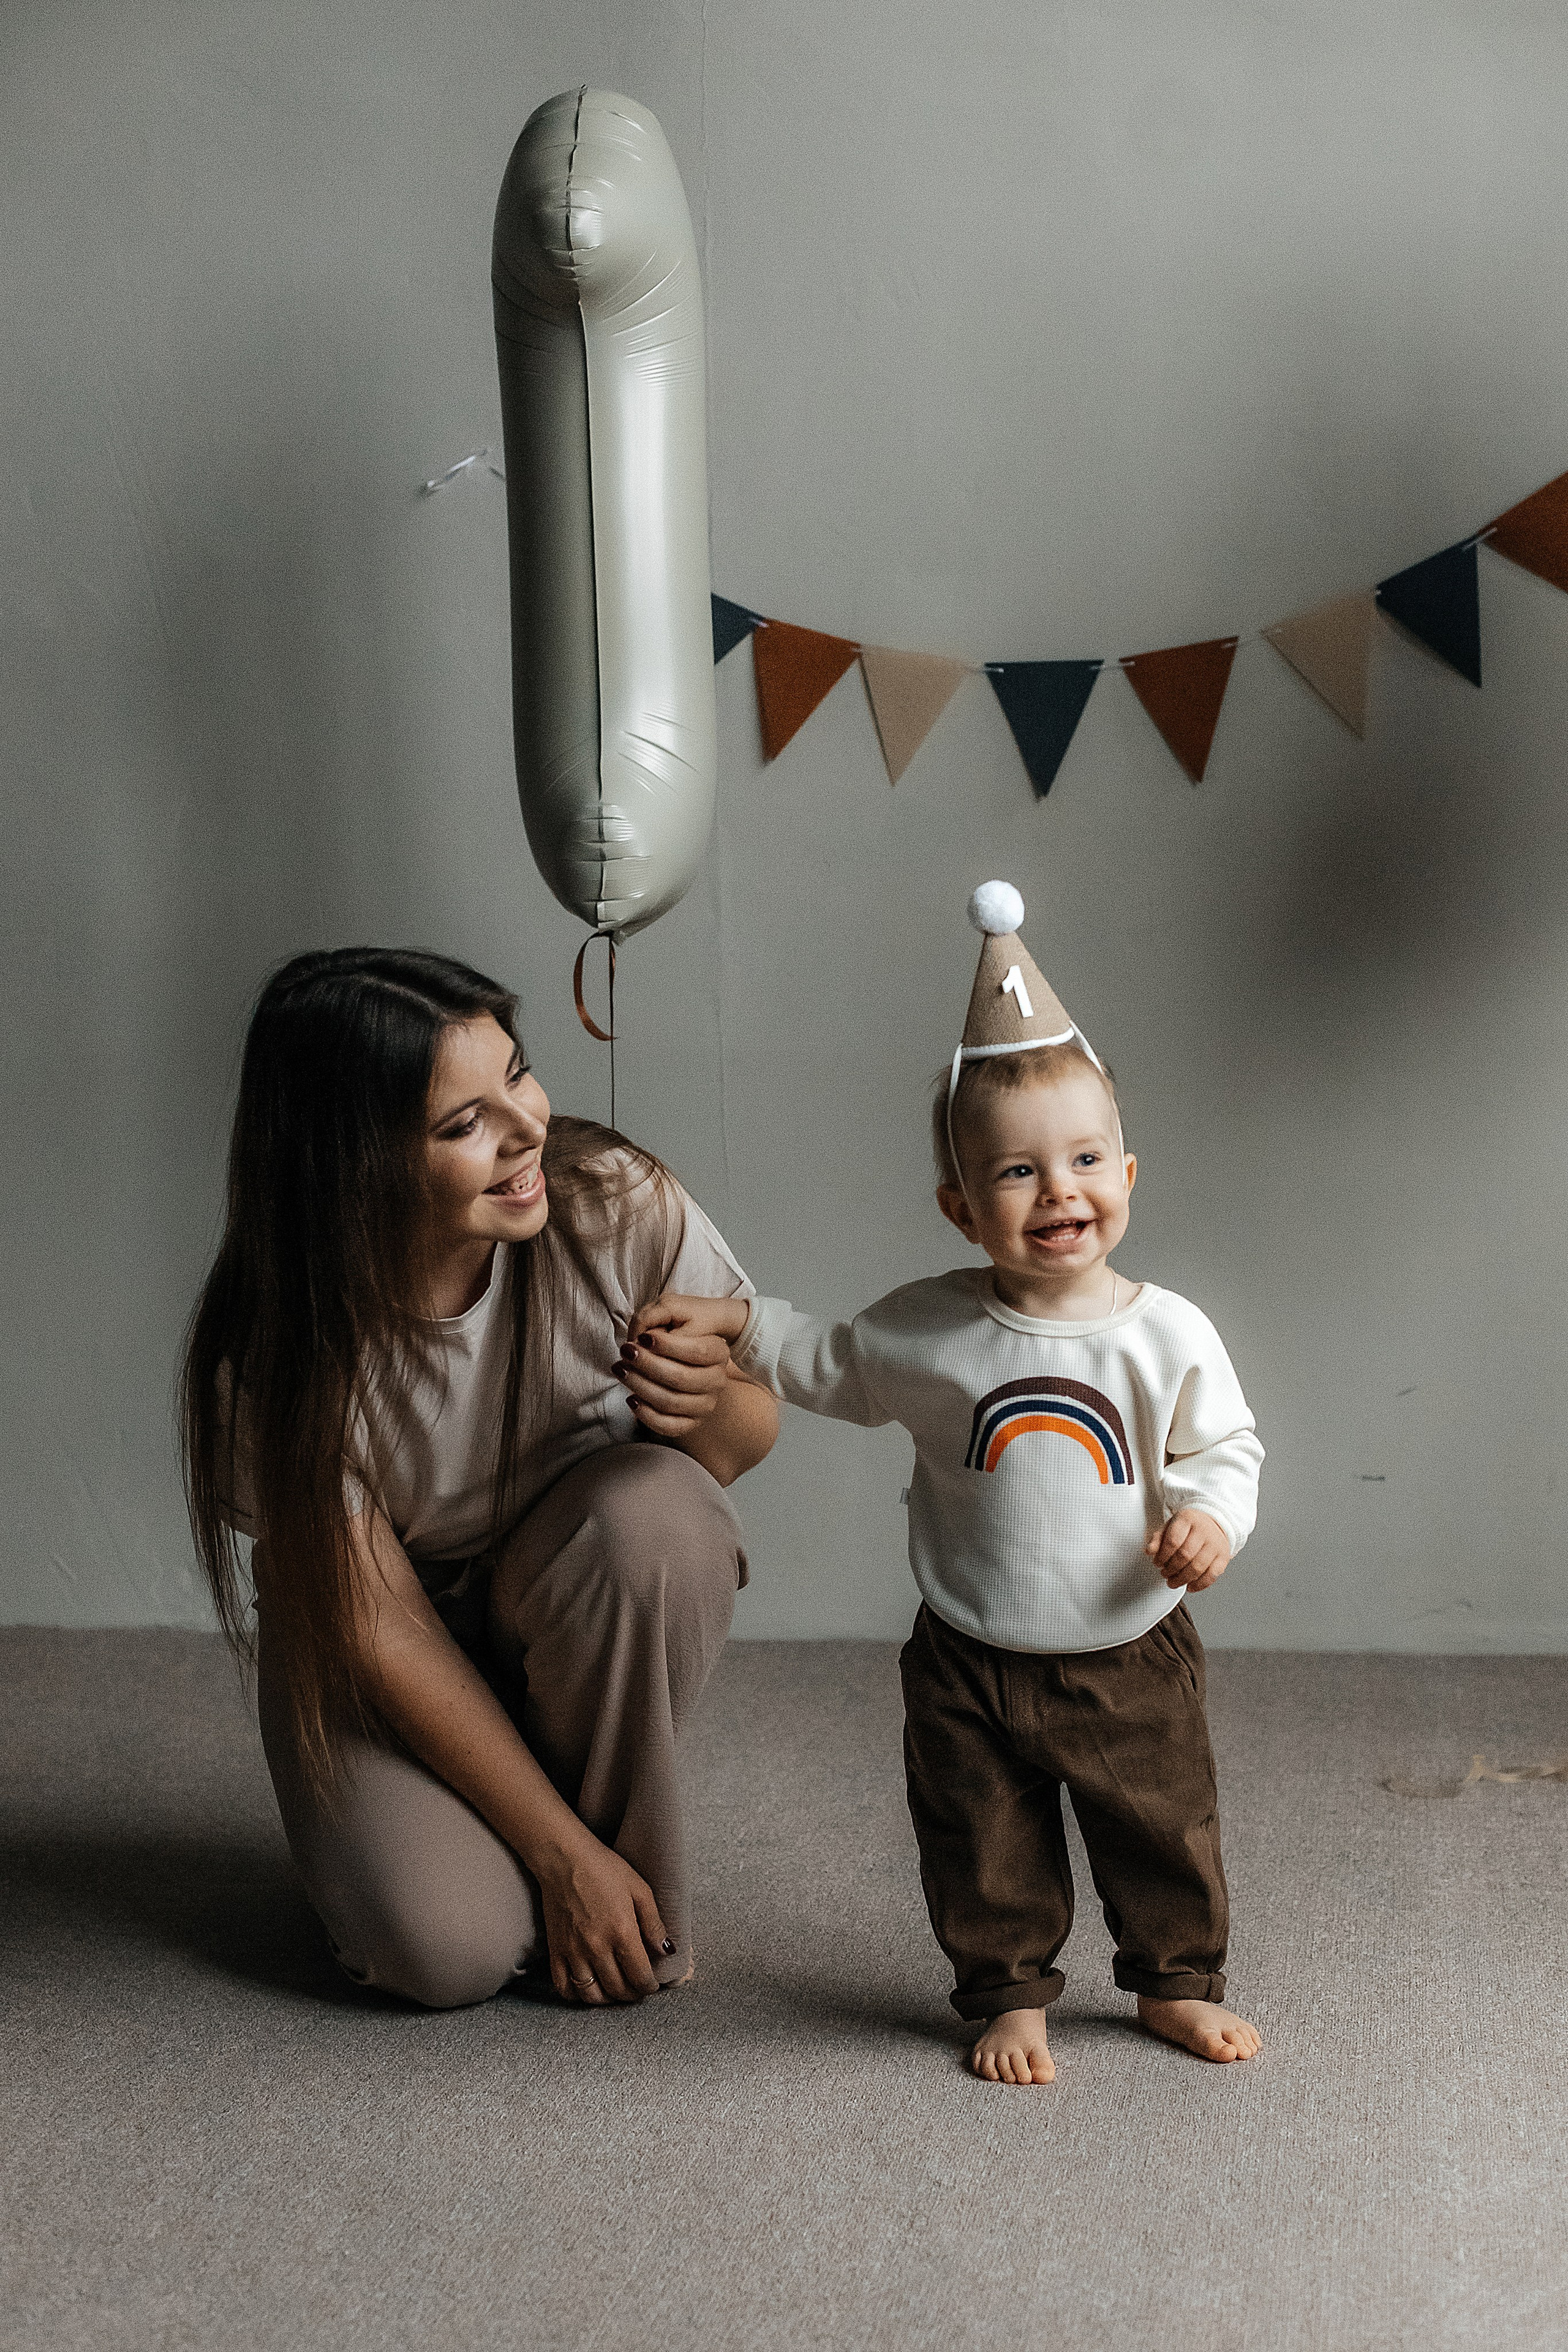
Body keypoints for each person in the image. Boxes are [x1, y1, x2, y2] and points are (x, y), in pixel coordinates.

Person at [629, 884, 1264, 2083]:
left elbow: (1223, 1449)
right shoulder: (929, 1330)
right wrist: (731, 1321)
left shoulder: (1163, 1335)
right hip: (969, 1644)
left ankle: (1173, 1982)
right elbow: (826, 1360)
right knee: (979, 1835)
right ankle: (1008, 1990)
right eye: (1017, 1174)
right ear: (959, 1206)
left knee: (1158, 1825)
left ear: (1126, 1170)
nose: (1058, 1192)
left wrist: (1205, 1518)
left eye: (1083, 1160)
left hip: (1123, 1642)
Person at [181, 948, 777, 2011]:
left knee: (663, 1518)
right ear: (353, 1164)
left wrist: (713, 1404)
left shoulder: (616, 1205)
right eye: (463, 1124)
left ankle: (610, 1884)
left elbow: (734, 1455)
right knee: (447, 1956)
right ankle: (556, 1861)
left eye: (519, 1072)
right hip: (378, 1651)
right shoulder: (279, 1349)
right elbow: (381, 1629)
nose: (526, 1127)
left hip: (553, 1602)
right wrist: (560, 1859)